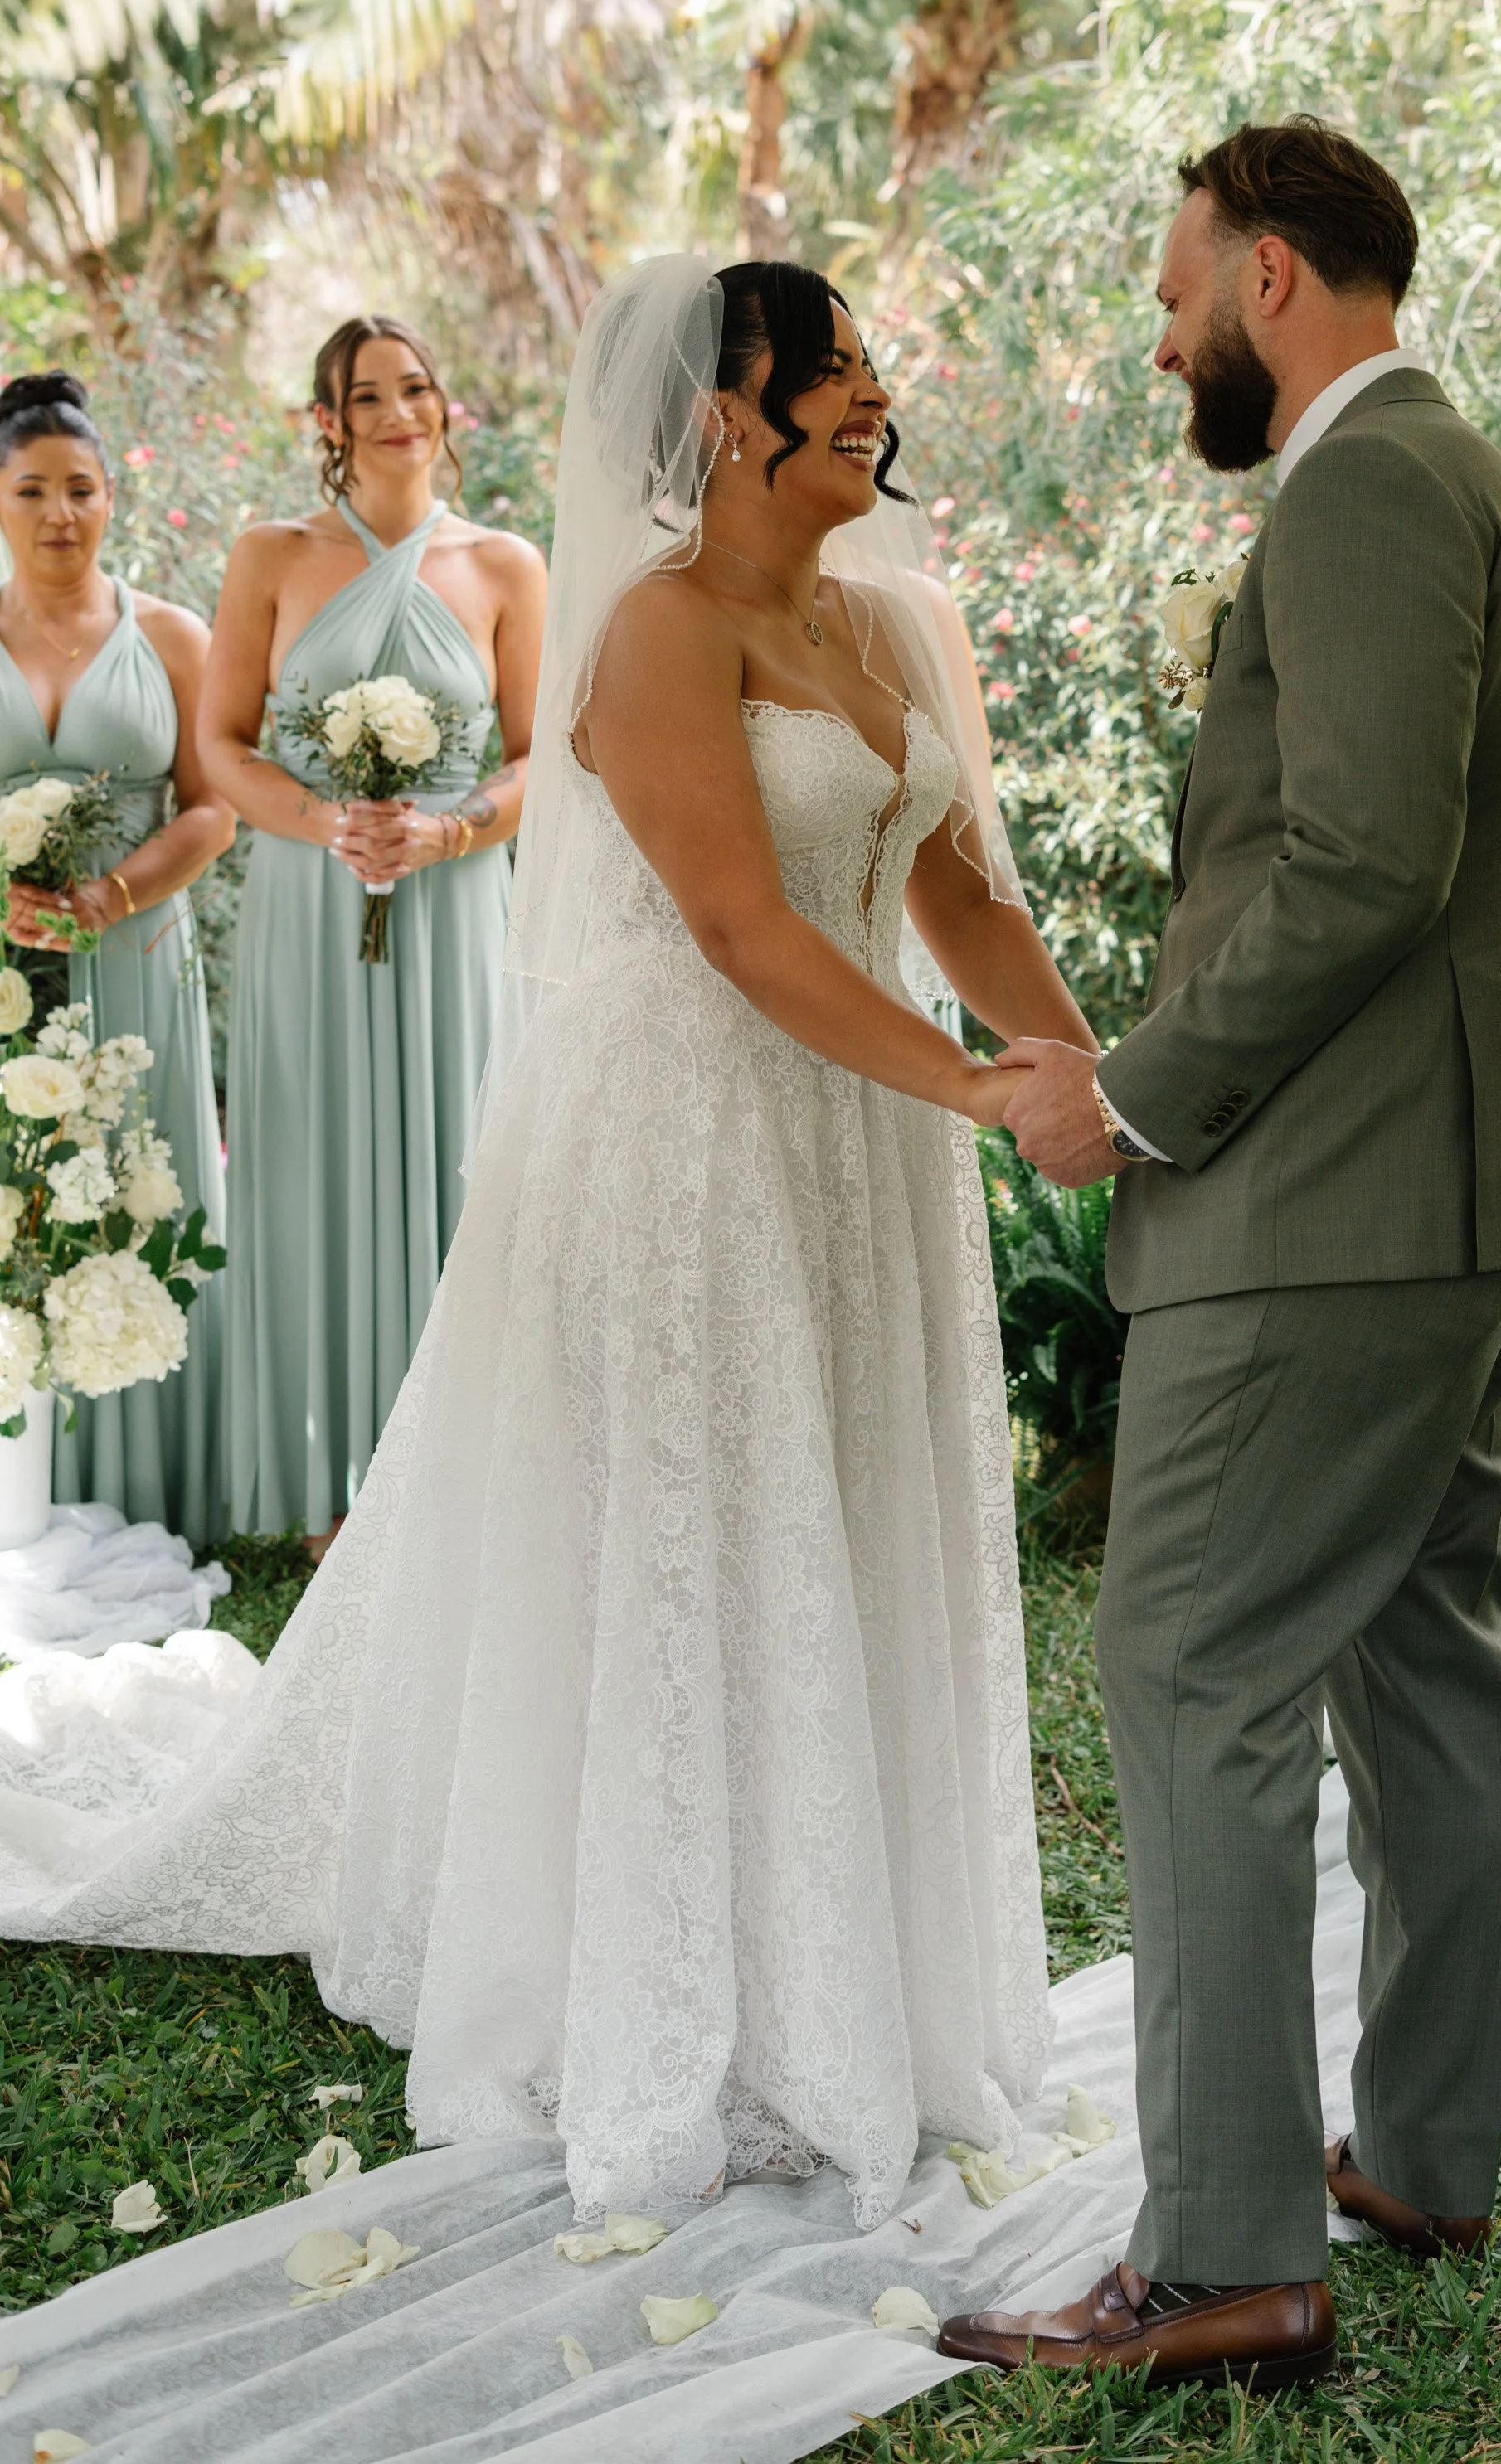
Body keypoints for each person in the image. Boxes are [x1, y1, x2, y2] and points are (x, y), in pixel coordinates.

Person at [0, 255, 1085, 2235]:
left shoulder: (894, 625)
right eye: (826, 370)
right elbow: (748, 934)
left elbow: (948, 886)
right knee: (697, 1537)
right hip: (694, 1134)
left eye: (860, 367)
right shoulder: (654, 639)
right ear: (720, 422)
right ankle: (692, 2000)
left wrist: (1069, 1057)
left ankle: (872, 1974)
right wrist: (982, 1094)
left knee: (847, 1510)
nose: (867, 397)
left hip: (866, 1129)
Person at [945, 119, 1501, 2392]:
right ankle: (1419, 2141)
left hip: (1335, 1202)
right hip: (1475, 1180)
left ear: (1266, 278)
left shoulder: (1354, 485)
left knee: (1189, 1665)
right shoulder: (1471, 480)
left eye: (1169, 296)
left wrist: (1125, 1088)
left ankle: (1228, 2248)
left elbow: (1350, 861)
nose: (1159, 345)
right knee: (1418, 1643)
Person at [202, 314, 544, 1549]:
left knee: (458, 1167)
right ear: (328, 424)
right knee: (312, 1168)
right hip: (309, 903)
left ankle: (451, 1499)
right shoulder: (271, 556)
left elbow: (539, 760)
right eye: (371, 395)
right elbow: (219, 746)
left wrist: (448, 834)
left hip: (454, 915)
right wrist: (322, 821)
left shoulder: (505, 566)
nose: (404, 411)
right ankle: (329, 1494)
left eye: (420, 388)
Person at [0, 371, 236, 1540]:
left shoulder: (176, 637)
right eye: (31, 489)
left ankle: (162, 1484)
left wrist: (110, 893)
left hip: (137, 956)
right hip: (4, 976)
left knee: (142, 1195)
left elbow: (210, 807)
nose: (59, 513)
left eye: (80, 489)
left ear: (110, 500)